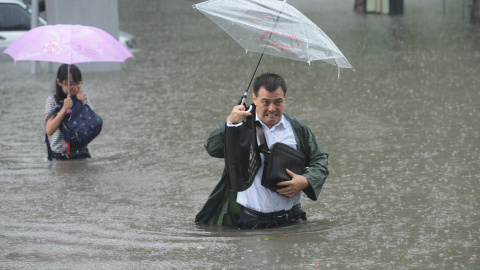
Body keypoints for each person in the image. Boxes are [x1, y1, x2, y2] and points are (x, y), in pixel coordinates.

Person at [195, 73, 329, 229]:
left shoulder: (297, 128)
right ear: (254, 98)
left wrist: (305, 181)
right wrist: (229, 123)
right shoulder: (240, 126)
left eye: (278, 102)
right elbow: (212, 148)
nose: (272, 109)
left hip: (294, 219)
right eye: (265, 102)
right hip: (253, 221)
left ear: (285, 97)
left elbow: (320, 159)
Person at [44, 64, 94, 160]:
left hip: (81, 152)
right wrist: (63, 110)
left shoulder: (83, 97)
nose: (75, 88)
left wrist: (83, 103)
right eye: (71, 84)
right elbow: (49, 130)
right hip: (59, 155)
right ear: (59, 81)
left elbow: (92, 124)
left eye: (78, 83)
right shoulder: (52, 101)